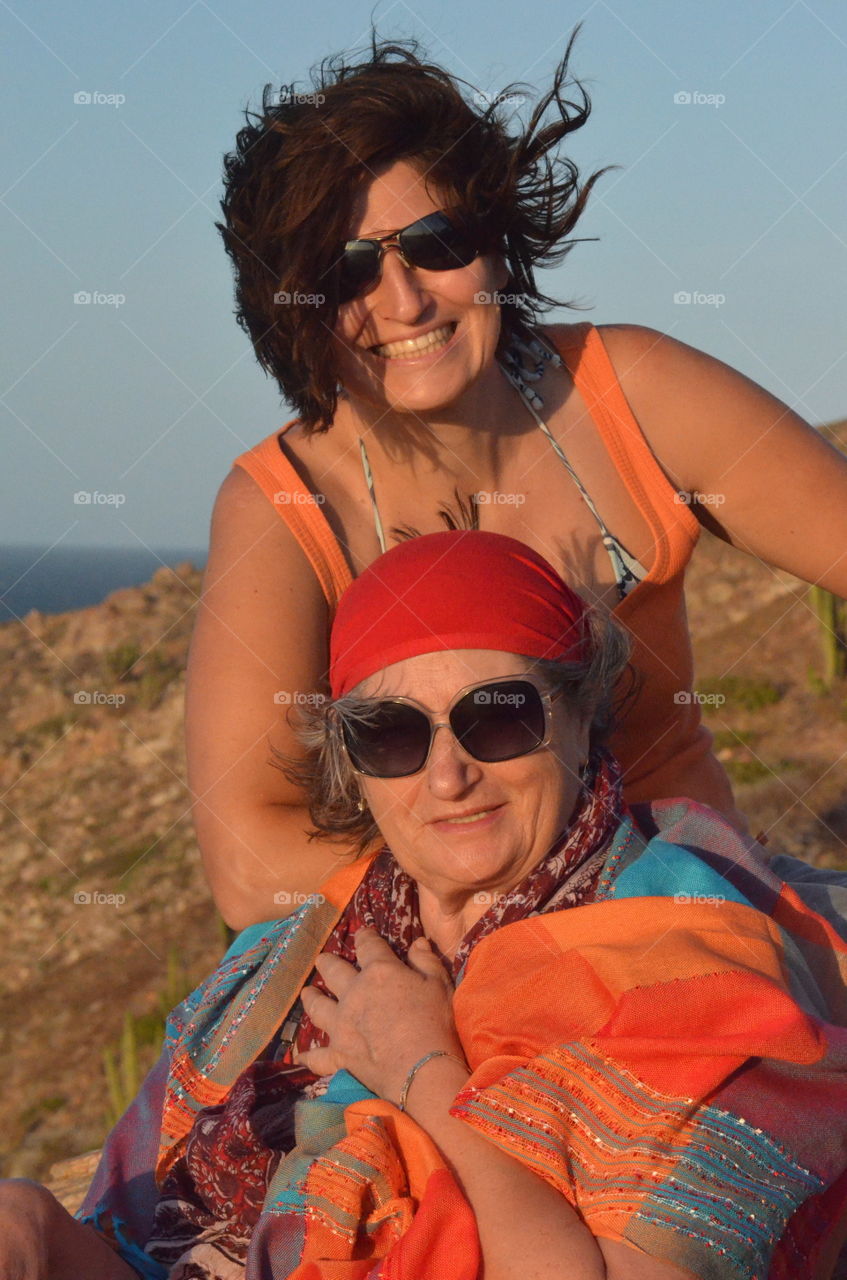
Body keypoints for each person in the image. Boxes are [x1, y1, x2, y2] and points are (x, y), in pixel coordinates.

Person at [6, 532, 847, 1278]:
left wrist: (422, 1066)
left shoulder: (679, 959)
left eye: (499, 717)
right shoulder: (293, 954)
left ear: (580, 709)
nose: (447, 775)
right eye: (393, 734)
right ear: (353, 762)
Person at [187, 35, 847, 931]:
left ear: (496, 245)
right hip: (451, 966)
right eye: (345, 268)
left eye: (436, 242)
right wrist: (500, 905)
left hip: (698, 928)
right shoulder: (286, 504)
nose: (405, 301)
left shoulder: (633, 393)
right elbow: (243, 855)